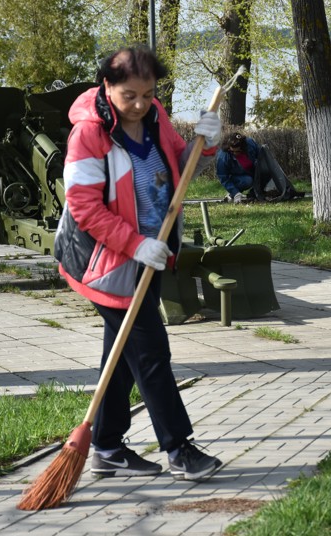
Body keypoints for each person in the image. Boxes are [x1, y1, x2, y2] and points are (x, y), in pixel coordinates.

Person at [56, 46, 224, 480]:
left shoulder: (155, 117)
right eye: (129, 95)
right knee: (150, 352)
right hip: (105, 263)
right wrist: (134, 245)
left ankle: (107, 448)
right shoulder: (88, 135)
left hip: (151, 255)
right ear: (106, 86)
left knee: (123, 350)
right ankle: (179, 449)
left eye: (148, 94)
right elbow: (84, 209)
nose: (139, 105)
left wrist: (205, 145)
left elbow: (177, 169)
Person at [215, 132, 301, 202]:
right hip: (236, 177)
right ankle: (234, 193)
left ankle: (255, 193)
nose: (235, 153)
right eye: (232, 151)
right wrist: (235, 192)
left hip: (251, 171)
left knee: (265, 171)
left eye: (238, 151)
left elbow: (262, 158)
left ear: (243, 147)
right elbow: (223, 177)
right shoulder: (223, 156)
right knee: (248, 181)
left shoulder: (250, 144)